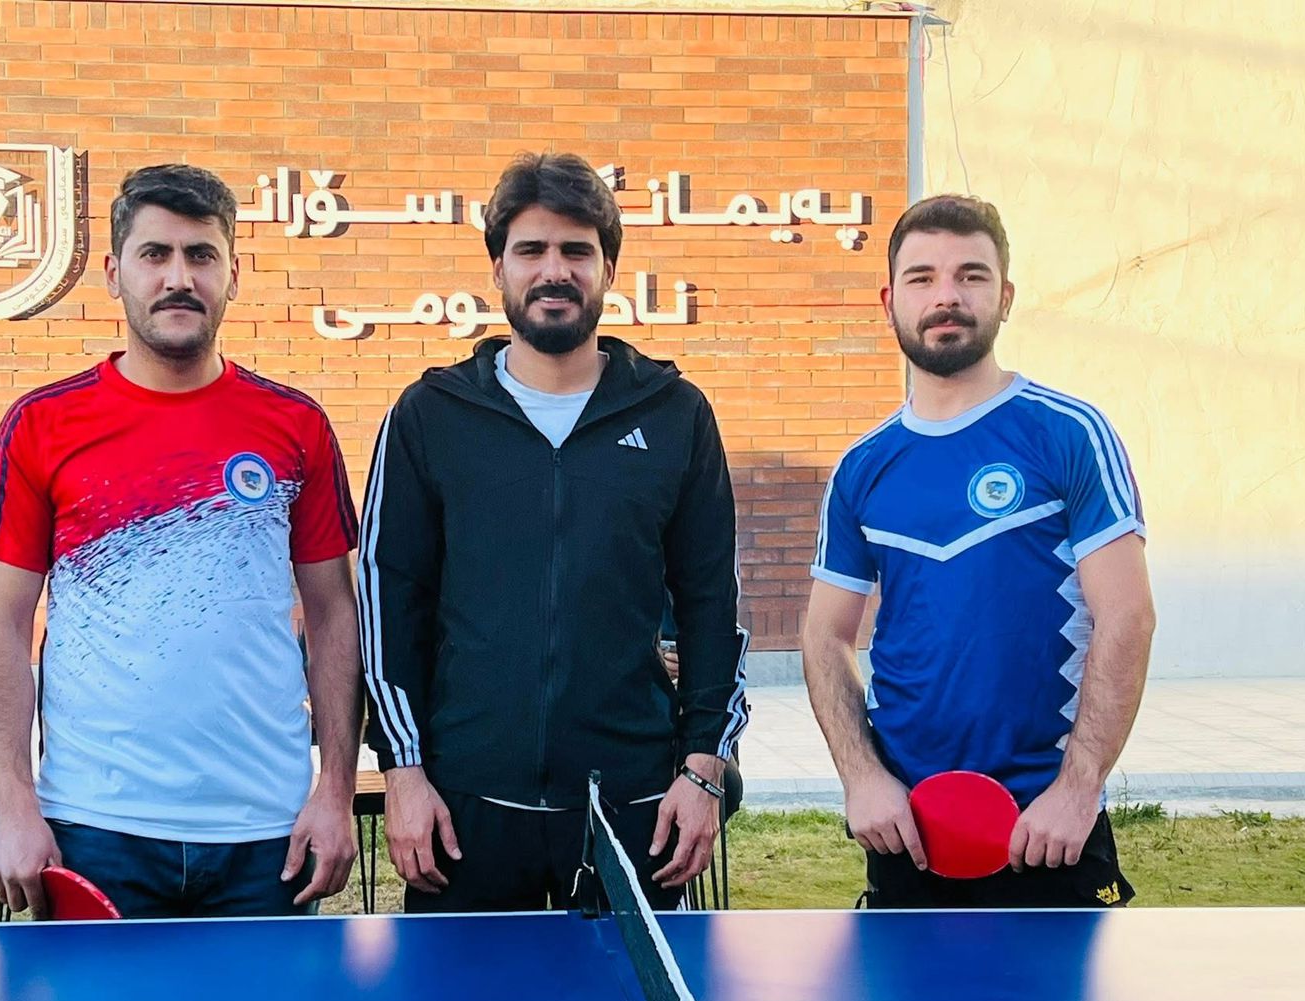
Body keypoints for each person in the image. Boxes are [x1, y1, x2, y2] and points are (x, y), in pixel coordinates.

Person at [357, 151, 749, 912]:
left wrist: (704, 768)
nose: (554, 271)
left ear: (607, 269)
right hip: (463, 809)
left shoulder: (674, 415)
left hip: (630, 808)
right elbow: (387, 601)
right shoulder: (430, 416)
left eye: (577, 252)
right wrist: (402, 770)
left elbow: (712, 605)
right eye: (531, 250)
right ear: (498, 268)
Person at [0, 164, 362, 919]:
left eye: (200, 256)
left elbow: (335, 615)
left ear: (232, 275)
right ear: (115, 273)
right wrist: (15, 804)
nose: (178, 277)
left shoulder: (296, 426)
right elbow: (1, 622)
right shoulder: (43, 425)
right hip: (96, 828)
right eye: (155, 255)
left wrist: (335, 790)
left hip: (266, 833)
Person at [803, 194, 1154, 908]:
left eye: (972, 275)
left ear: (1006, 296)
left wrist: (1078, 788)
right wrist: (863, 778)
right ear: (889, 299)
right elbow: (824, 634)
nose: (947, 296)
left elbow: (1128, 618)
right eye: (922, 277)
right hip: (907, 835)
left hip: (1046, 828)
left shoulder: (1068, 433)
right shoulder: (863, 466)